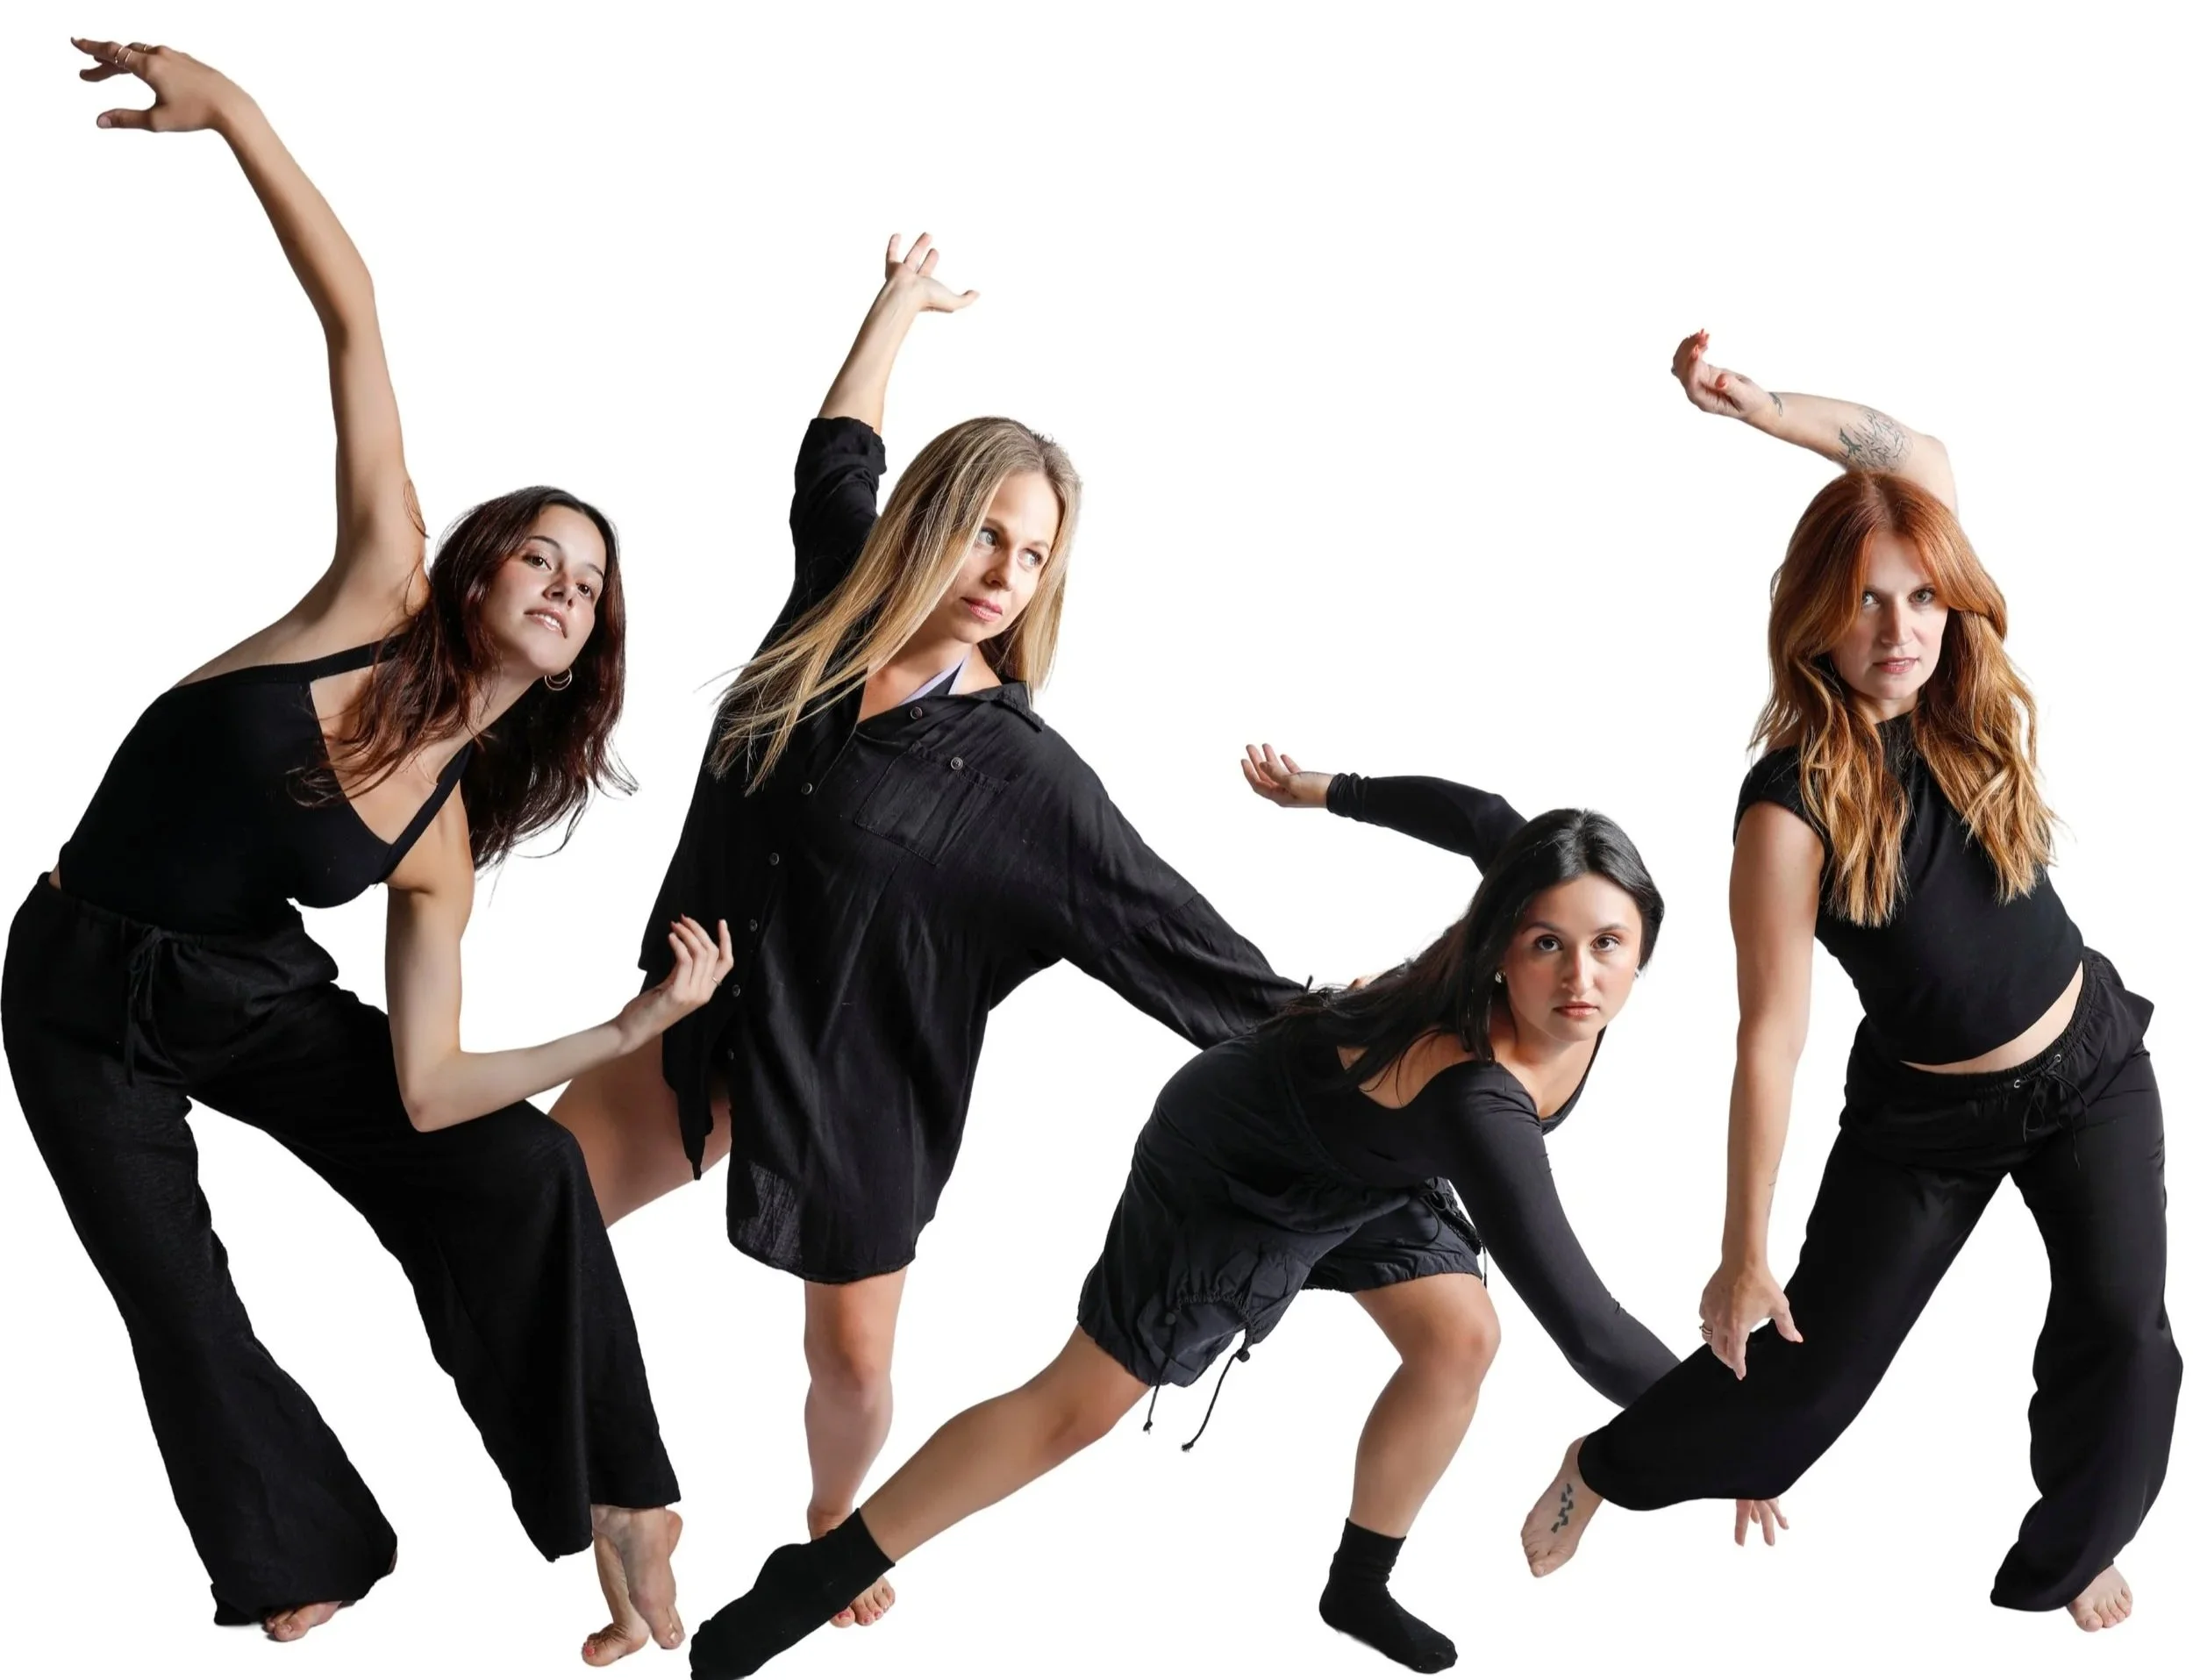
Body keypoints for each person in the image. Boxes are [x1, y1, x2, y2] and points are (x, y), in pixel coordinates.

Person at [4, 39, 732, 1648]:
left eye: (589, 585)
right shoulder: (373, 588)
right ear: (476, 573)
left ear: (584, 652)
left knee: (521, 1165)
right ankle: (301, 1546)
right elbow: (353, 312)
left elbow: (427, 1089)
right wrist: (235, 113)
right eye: (539, 557)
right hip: (68, 984)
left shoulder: (439, 844)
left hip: (244, 995)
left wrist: (627, 1031)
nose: (563, 584)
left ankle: (624, 1498)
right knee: (173, 1288)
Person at [550, 235, 1298, 1661]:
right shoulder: (835, 595)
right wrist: (894, 305)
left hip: (860, 1079)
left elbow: (1183, 942)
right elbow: (838, 450)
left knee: (848, 1363)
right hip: (700, 1015)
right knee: (523, 1211)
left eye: (1036, 554)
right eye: (986, 534)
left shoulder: (1026, 779)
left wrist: (1376, 1029)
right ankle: (629, 1496)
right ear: (928, 522)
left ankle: (835, 1521)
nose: (1007, 573)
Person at [683, 757, 1782, 1677]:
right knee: (1074, 1408)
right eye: (1546, 944)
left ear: (1644, 942)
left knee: (1459, 1338)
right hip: (1240, 1159)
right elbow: (1587, 1323)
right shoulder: (1479, 1102)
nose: (1579, 975)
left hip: (1370, 1165)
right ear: (1504, 943)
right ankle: (813, 1577)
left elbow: (1479, 816)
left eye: (1607, 944)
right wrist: (1735, 1434)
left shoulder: (1550, 910)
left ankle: (1356, 1587)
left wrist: (1328, 790)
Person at [1518, 332, 2177, 1634]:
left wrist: (1761, 409)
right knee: (1793, 1400)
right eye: (1868, 601)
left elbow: (1912, 453)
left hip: (2088, 1060)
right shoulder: (1788, 809)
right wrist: (1742, 1252)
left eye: (1922, 597)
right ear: (1818, 612)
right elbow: (1768, 1038)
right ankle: (1604, 1464)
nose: (1900, 630)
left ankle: (2074, 1543)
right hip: (1923, 1120)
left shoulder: (1953, 698)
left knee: (2124, 1331)